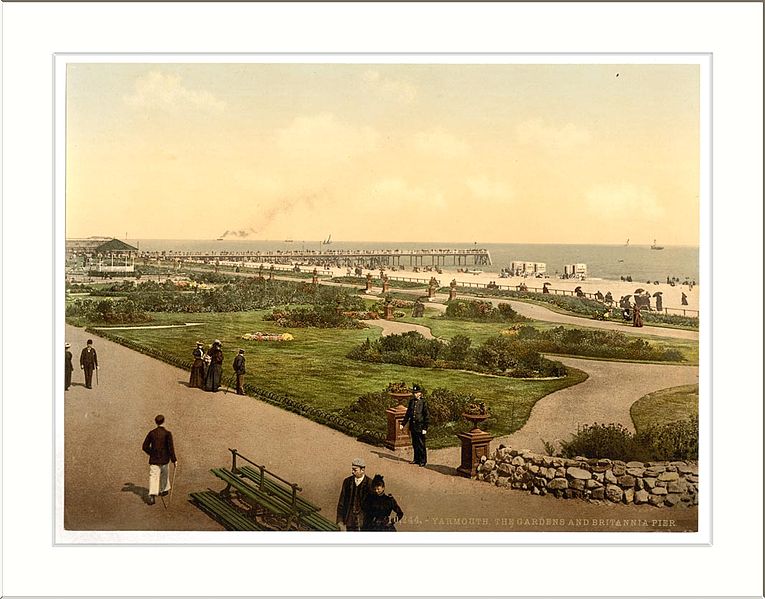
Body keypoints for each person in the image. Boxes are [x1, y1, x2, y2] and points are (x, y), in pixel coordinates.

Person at [141, 414, 177, 505]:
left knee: (153, 477)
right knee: (164, 474)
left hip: (154, 460)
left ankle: (153, 495)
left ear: (155, 422)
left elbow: (144, 446)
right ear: (164, 422)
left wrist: (151, 453)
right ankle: (164, 490)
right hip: (165, 459)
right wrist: (174, 460)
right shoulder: (167, 433)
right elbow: (171, 448)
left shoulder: (151, 433)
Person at [336, 458, 371, 531]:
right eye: (352, 469)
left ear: (362, 470)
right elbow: (341, 502)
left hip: (363, 523)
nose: (352, 472)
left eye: (355, 470)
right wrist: (340, 521)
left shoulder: (370, 484)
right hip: (349, 520)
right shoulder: (347, 482)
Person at [401, 384, 430, 466]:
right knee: (415, 444)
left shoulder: (424, 402)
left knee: (421, 444)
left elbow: (426, 416)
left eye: (416, 393)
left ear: (420, 393)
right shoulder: (411, 402)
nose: (415, 394)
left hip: (420, 426)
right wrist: (403, 424)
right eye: (414, 393)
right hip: (413, 426)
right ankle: (416, 459)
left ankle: (423, 461)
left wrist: (425, 428)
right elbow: (408, 414)